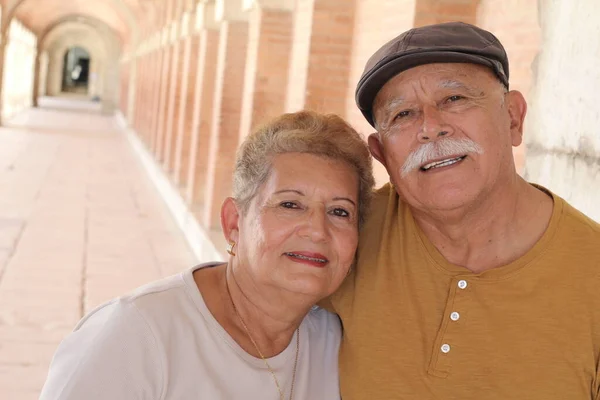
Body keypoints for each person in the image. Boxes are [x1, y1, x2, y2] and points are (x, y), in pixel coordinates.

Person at [325, 21, 600, 399]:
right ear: (382, 154)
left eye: (454, 99)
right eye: (402, 114)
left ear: (513, 118)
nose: (431, 128)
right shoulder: (342, 233)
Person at [39, 111, 375, 399]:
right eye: (290, 204)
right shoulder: (137, 334)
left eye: (340, 212)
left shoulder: (335, 343)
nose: (317, 230)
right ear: (233, 222)